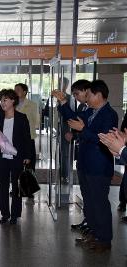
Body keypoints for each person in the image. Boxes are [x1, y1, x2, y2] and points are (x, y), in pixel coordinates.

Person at [52, 79, 118, 252]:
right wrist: (63, 102)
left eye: (88, 95)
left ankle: (104, 240)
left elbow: (103, 140)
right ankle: (94, 235)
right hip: (85, 164)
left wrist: (83, 130)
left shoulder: (109, 114)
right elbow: (74, 120)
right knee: (89, 203)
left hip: (99, 166)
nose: (86, 99)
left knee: (99, 204)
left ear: (99, 95)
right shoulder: (91, 111)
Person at [0, 89, 32, 225]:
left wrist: (28, 156)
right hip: (3, 158)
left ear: (13, 101)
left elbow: (27, 138)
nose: (2, 103)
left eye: (5, 100)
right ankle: (5, 214)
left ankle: (15, 215)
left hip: (17, 157)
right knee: (3, 187)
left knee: (17, 188)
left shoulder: (22, 118)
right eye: (1, 100)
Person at [66, 79, 91, 233]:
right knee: (86, 195)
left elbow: (93, 133)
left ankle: (96, 230)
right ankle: (88, 222)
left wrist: (79, 131)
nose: (76, 97)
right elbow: (78, 124)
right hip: (83, 158)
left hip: (94, 162)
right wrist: (75, 134)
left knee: (95, 199)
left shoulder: (103, 112)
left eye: (77, 93)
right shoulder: (84, 107)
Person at [14, 83, 39, 200]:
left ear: (25, 92)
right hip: (14, 139)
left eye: (18, 90)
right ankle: (14, 188)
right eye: (15, 90)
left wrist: (28, 131)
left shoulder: (32, 105)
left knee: (29, 164)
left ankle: (29, 190)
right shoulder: (12, 104)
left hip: (28, 138)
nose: (16, 91)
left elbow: (36, 121)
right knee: (15, 163)